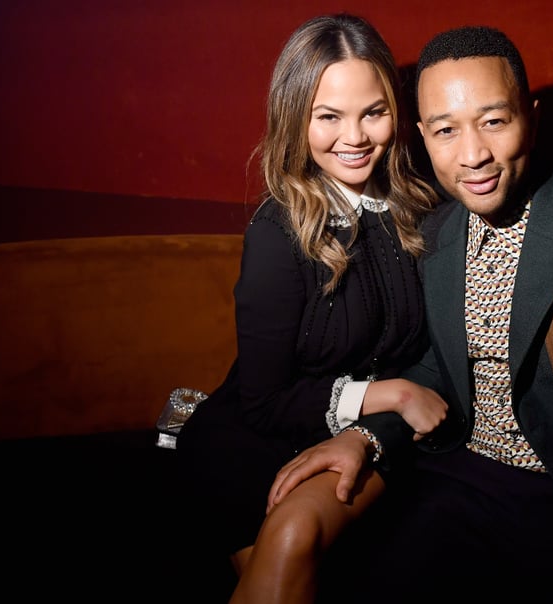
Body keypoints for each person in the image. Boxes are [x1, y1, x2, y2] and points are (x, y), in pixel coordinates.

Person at [267, 25, 553, 604]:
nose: (473, 156)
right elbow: (433, 370)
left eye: (495, 121)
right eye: (446, 131)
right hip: (453, 480)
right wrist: (366, 436)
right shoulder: (435, 230)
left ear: (531, 117)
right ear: (421, 136)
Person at [174, 13, 449, 604]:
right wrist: (393, 394)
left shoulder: (423, 208)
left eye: (372, 112)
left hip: (365, 438)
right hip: (248, 446)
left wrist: (382, 417)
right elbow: (265, 401)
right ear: (296, 119)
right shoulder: (278, 232)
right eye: (328, 116)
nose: (354, 137)